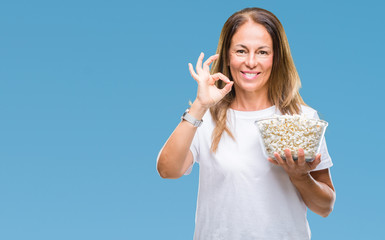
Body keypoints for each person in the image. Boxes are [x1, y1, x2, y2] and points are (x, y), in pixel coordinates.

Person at [157, 7, 336, 240]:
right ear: (227, 56)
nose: (251, 62)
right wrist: (200, 106)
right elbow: (167, 170)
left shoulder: (302, 120)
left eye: (262, 52)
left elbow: (325, 207)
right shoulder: (205, 118)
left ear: (276, 57)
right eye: (241, 51)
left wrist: (300, 176)